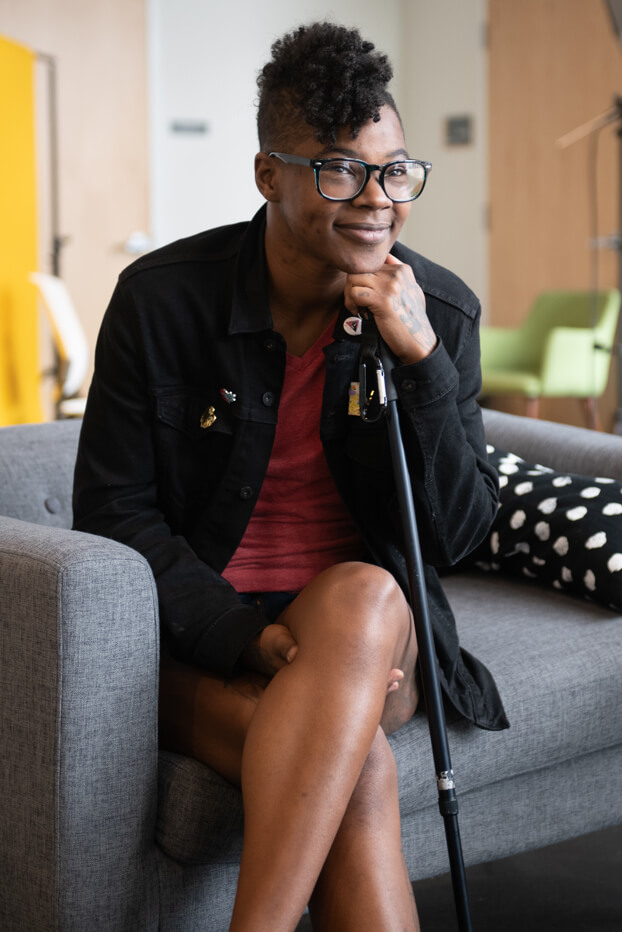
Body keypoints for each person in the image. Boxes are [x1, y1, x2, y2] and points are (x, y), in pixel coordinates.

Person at [73, 21, 508, 932]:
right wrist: (240, 634)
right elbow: (114, 514)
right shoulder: (163, 301)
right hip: (202, 636)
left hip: (366, 635)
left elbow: (461, 535)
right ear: (269, 173)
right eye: (340, 169)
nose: (378, 200)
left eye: (394, 171)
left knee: (362, 595)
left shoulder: (442, 313)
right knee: (358, 771)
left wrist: (422, 360)